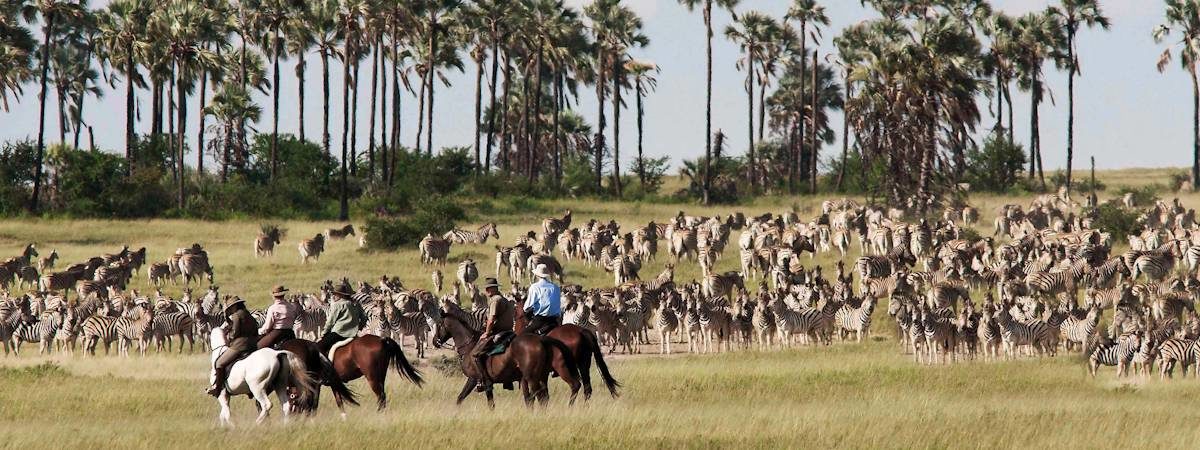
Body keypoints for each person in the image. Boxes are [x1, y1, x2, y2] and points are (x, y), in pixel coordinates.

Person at [470, 277, 515, 392]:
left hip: (499, 332)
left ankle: (483, 381)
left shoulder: (495, 300)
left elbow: (491, 319)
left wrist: (487, 333)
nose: (486, 291)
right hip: (510, 332)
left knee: (476, 355)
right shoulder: (504, 299)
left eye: (487, 289)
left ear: (490, 289)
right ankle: (508, 380)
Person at [207, 296, 258, 396]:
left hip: (240, 345)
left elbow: (234, 333)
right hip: (253, 344)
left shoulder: (236, 315)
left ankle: (218, 388)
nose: (230, 309)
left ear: (234, 306)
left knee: (219, 363)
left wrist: (229, 337)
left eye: (231, 307)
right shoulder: (248, 314)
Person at [317, 281, 366, 355]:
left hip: (338, 333)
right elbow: (364, 317)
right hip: (353, 334)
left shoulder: (338, 305)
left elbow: (330, 322)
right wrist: (360, 327)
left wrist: (323, 334)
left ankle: (326, 365)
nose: (333, 296)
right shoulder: (355, 303)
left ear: (340, 295)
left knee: (318, 347)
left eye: (335, 294)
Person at [256, 285, 300, 349]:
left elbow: (267, 327)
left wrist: (259, 331)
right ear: (283, 295)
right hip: (290, 333)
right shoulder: (291, 307)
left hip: (277, 334)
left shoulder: (273, 308)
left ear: (274, 296)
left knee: (257, 347)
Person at [523, 264, 562, 335]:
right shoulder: (555, 287)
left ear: (537, 275)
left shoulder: (535, 287)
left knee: (522, 336)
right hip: (555, 321)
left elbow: (527, 306)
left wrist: (525, 309)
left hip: (540, 320)